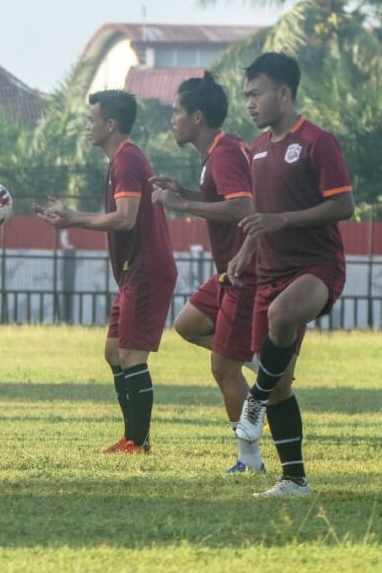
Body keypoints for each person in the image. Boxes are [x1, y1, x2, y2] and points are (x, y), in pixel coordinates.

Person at [226, 52, 354, 497]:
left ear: (284, 93)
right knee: (281, 383)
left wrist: (283, 220)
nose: (250, 103)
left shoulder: (318, 141)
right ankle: (294, 480)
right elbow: (262, 215)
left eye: (256, 94)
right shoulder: (257, 147)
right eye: (246, 95)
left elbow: (344, 205)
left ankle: (254, 399)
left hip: (317, 267)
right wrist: (245, 251)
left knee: (281, 316)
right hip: (269, 271)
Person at [37, 90, 177, 454]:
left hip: (147, 270)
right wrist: (71, 217)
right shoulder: (121, 160)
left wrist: (73, 218)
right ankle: (132, 438)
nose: (87, 126)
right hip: (135, 272)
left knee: (131, 356)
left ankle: (139, 443)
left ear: (110, 124)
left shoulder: (127, 159)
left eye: (91, 120)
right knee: (114, 352)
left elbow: (126, 218)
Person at [150, 72, 264, 474]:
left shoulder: (224, 153)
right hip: (228, 271)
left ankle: (250, 462)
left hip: (245, 270)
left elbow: (244, 207)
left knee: (223, 368)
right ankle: (262, 364)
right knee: (187, 323)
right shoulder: (217, 151)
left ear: (197, 116)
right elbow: (223, 198)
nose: (173, 119)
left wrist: (183, 205)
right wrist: (185, 193)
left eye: (177, 111)